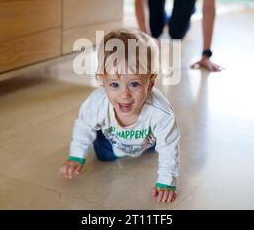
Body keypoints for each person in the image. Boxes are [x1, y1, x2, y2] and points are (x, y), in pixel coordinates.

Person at [59, 29, 180, 203]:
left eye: (134, 84)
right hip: (110, 141)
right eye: (114, 84)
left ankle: (148, 142)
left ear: (151, 82)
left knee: (161, 142)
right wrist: (76, 155)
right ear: (102, 80)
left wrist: (166, 182)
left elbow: (169, 146)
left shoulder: (161, 112)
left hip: (147, 140)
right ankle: (106, 137)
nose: (124, 95)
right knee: (104, 156)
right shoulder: (98, 103)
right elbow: (84, 125)